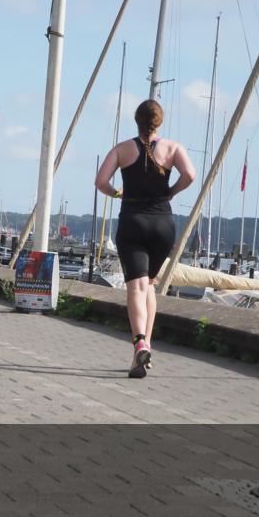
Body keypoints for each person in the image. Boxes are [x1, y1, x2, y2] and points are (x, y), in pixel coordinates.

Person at [95, 99, 195, 379]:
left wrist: (118, 193)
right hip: (163, 223)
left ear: (136, 121)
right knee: (149, 285)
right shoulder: (173, 148)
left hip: (133, 222)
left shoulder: (123, 149)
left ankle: (139, 341)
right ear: (159, 122)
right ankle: (143, 350)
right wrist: (171, 191)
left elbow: (101, 181)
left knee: (136, 287)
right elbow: (190, 174)